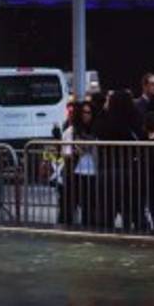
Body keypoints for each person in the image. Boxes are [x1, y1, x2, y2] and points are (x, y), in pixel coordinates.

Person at [97, 90, 145, 231]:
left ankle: (107, 231)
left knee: (108, 206)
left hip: (108, 168)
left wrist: (104, 110)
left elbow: (97, 131)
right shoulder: (134, 118)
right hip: (130, 168)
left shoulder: (106, 120)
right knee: (131, 205)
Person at [60, 98, 98, 228]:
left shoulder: (96, 131)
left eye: (89, 112)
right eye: (83, 112)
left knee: (90, 206)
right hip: (74, 172)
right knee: (71, 204)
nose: (86, 115)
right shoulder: (71, 131)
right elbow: (64, 153)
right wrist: (75, 152)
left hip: (92, 172)